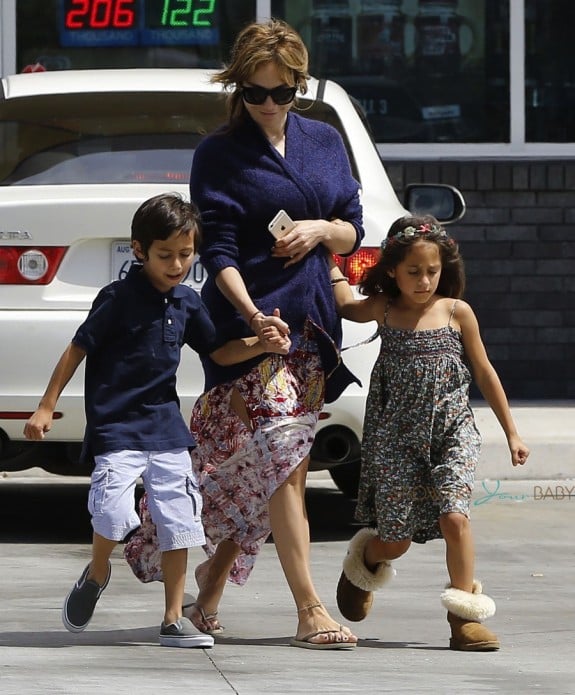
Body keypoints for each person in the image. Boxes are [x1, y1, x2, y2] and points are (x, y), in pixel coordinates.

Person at [125, 19, 362, 650]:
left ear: (298, 87)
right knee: (285, 467)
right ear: (237, 87)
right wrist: (253, 315)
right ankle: (310, 609)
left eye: (280, 94)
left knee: (271, 465)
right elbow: (219, 250)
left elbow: (353, 229)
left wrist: (318, 231)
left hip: (312, 324)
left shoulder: (324, 141)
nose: (265, 105)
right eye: (253, 93)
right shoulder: (219, 152)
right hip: (253, 327)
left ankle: (205, 597)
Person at [23, 192, 290, 649]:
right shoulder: (118, 298)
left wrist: (260, 344)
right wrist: (47, 405)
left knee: (179, 519)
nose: (176, 265)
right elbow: (78, 348)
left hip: (166, 428)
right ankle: (98, 570)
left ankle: (172, 618)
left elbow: (218, 351)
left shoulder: (187, 303)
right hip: (117, 426)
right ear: (139, 250)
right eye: (165, 255)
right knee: (112, 513)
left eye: (185, 255)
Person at [330, 215, 530, 651]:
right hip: (395, 438)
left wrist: (512, 432)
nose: (423, 281)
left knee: (455, 517)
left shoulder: (457, 312)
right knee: (396, 542)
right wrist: (329, 263)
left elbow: (484, 371)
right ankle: (362, 565)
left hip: (451, 432)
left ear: (445, 270)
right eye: (413, 272)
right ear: (393, 271)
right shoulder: (383, 309)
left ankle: (465, 620)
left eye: (432, 271)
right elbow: (345, 305)